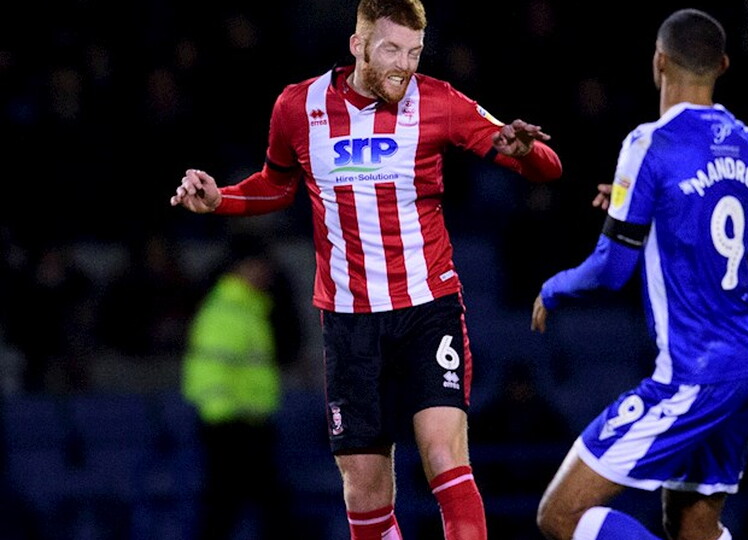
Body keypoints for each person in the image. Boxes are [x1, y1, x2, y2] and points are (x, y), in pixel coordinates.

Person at [169, 1, 563, 538]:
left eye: (414, 52)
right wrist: (222, 200)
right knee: (364, 486)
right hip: (350, 321)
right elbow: (278, 185)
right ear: (358, 46)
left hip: (427, 308)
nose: (405, 66)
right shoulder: (298, 106)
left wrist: (527, 154)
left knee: (444, 455)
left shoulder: (439, 101)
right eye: (392, 50)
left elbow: (546, 168)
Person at [529, 9, 748, 540]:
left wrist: (554, 287)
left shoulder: (650, 143)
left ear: (659, 62)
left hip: (694, 371)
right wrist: (649, 212)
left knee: (560, 515)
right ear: (723, 65)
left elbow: (611, 270)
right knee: (692, 527)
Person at [181, 239, 291, 539]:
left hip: (247, 425)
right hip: (231, 428)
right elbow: (209, 373)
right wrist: (226, 422)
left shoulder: (248, 309)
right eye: (261, 265)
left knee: (240, 509)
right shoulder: (227, 312)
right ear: (243, 268)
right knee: (234, 509)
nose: (267, 273)